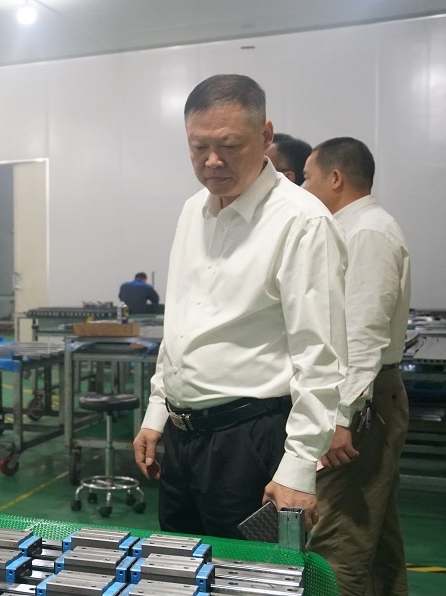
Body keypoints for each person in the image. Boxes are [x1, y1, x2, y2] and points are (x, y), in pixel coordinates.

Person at [132, 74, 348, 539]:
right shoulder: (193, 211)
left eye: (229, 145)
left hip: (249, 440)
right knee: (178, 565)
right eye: (198, 147)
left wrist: (298, 467)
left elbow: (320, 356)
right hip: (183, 439)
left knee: (244, 571)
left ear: (265, 136)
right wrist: (157, 413)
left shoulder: (302, 221)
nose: (212, 161)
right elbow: (180, 325)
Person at [303, 138, 411, 596]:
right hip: (365, 399)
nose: (303, 187)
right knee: (374, 532)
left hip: (361, 404)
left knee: (338, 540)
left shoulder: (366, 232)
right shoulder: (355, 227)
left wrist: (341, 416)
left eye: (307, 177)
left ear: (335, 178)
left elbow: (363, 334)